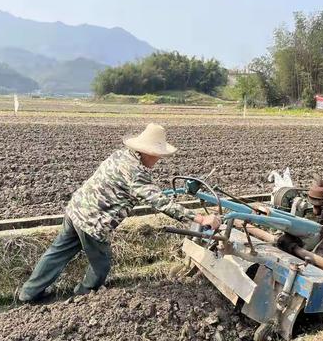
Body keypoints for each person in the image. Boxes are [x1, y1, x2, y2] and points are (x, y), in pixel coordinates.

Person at [19, 123, 220, 302]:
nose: (158, 159)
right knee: (101, 265)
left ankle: (28, 293)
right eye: (158, 155)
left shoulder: (121, 155)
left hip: (76, 210)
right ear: (148, 152)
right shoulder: (137, 173)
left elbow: (141, 189)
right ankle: (82, 296)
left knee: (57, 253)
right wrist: (200, 217)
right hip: (93, 223)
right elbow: (159, 202)